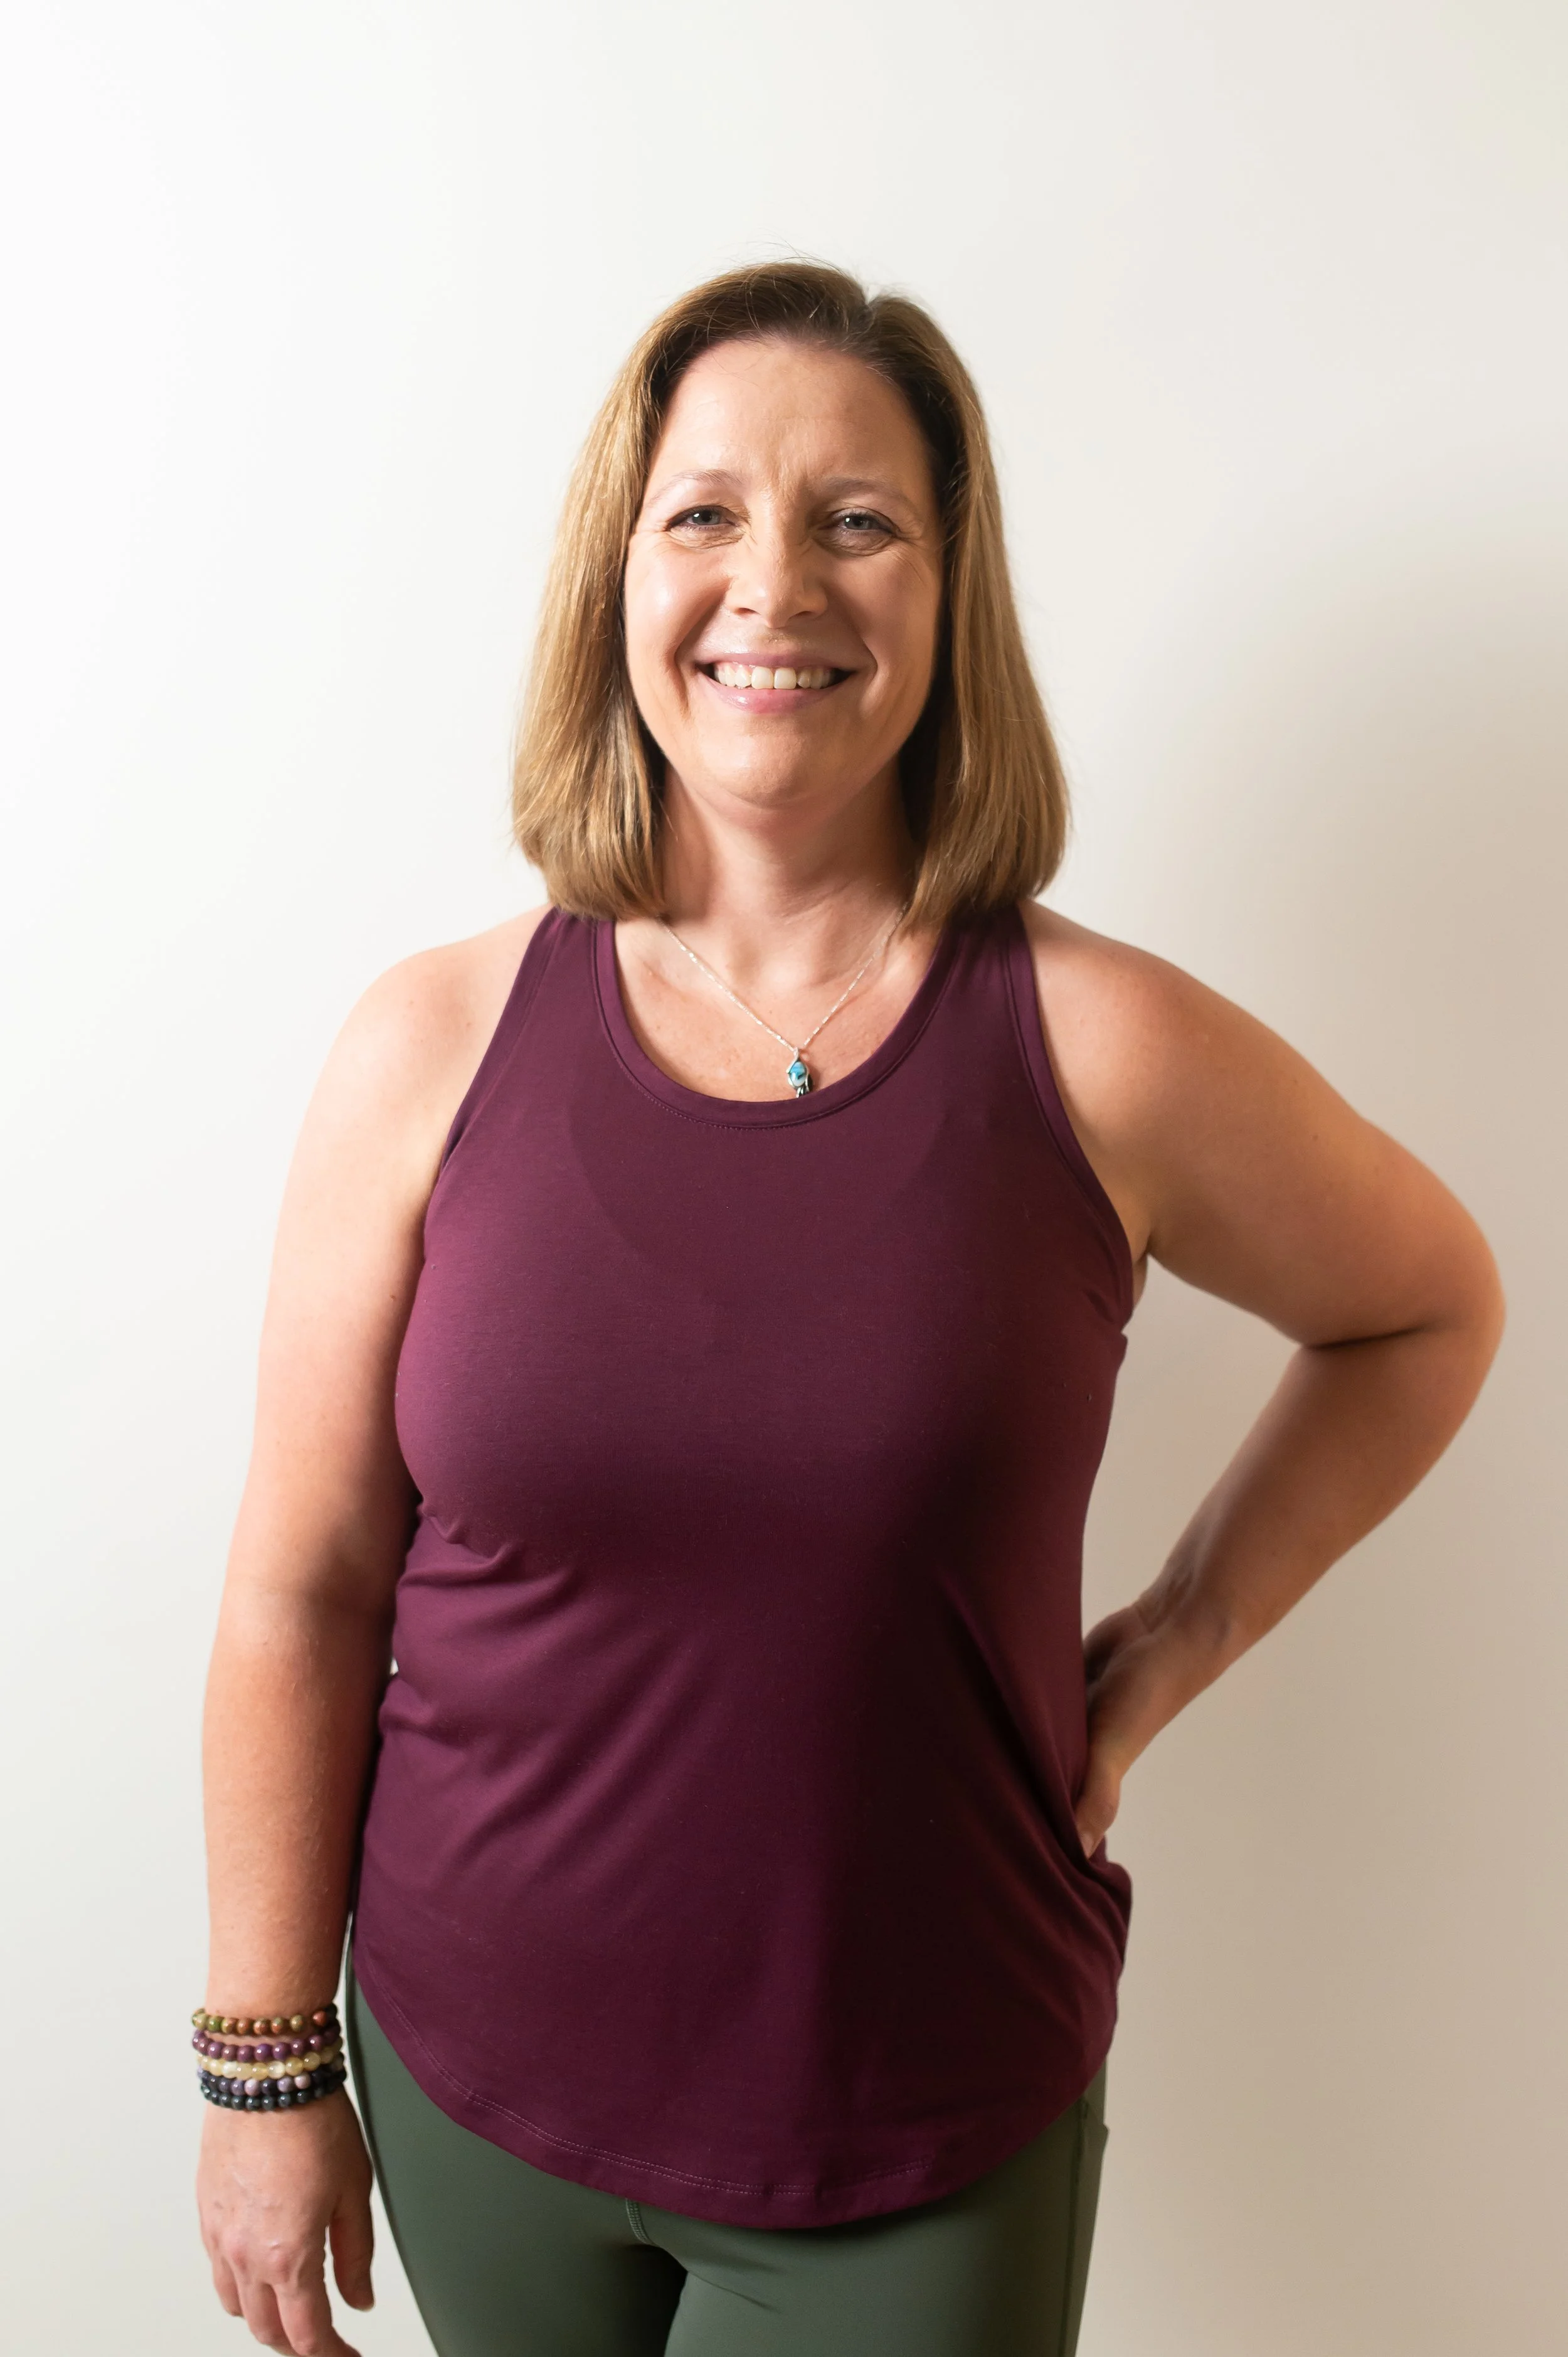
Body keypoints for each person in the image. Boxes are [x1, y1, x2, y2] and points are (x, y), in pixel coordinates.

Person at [194, 262, 1503, 2357]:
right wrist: (268, 2070)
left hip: (915, 2121)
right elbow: (304, 1586)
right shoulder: (427, 1043)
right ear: (615, 574)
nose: (769, 584)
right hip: (470, 2086)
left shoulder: (1100, 1048)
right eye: (702, 512)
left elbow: (1424, 1304)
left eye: (855, 519)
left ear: (946, 585)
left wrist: (1169, 1642)